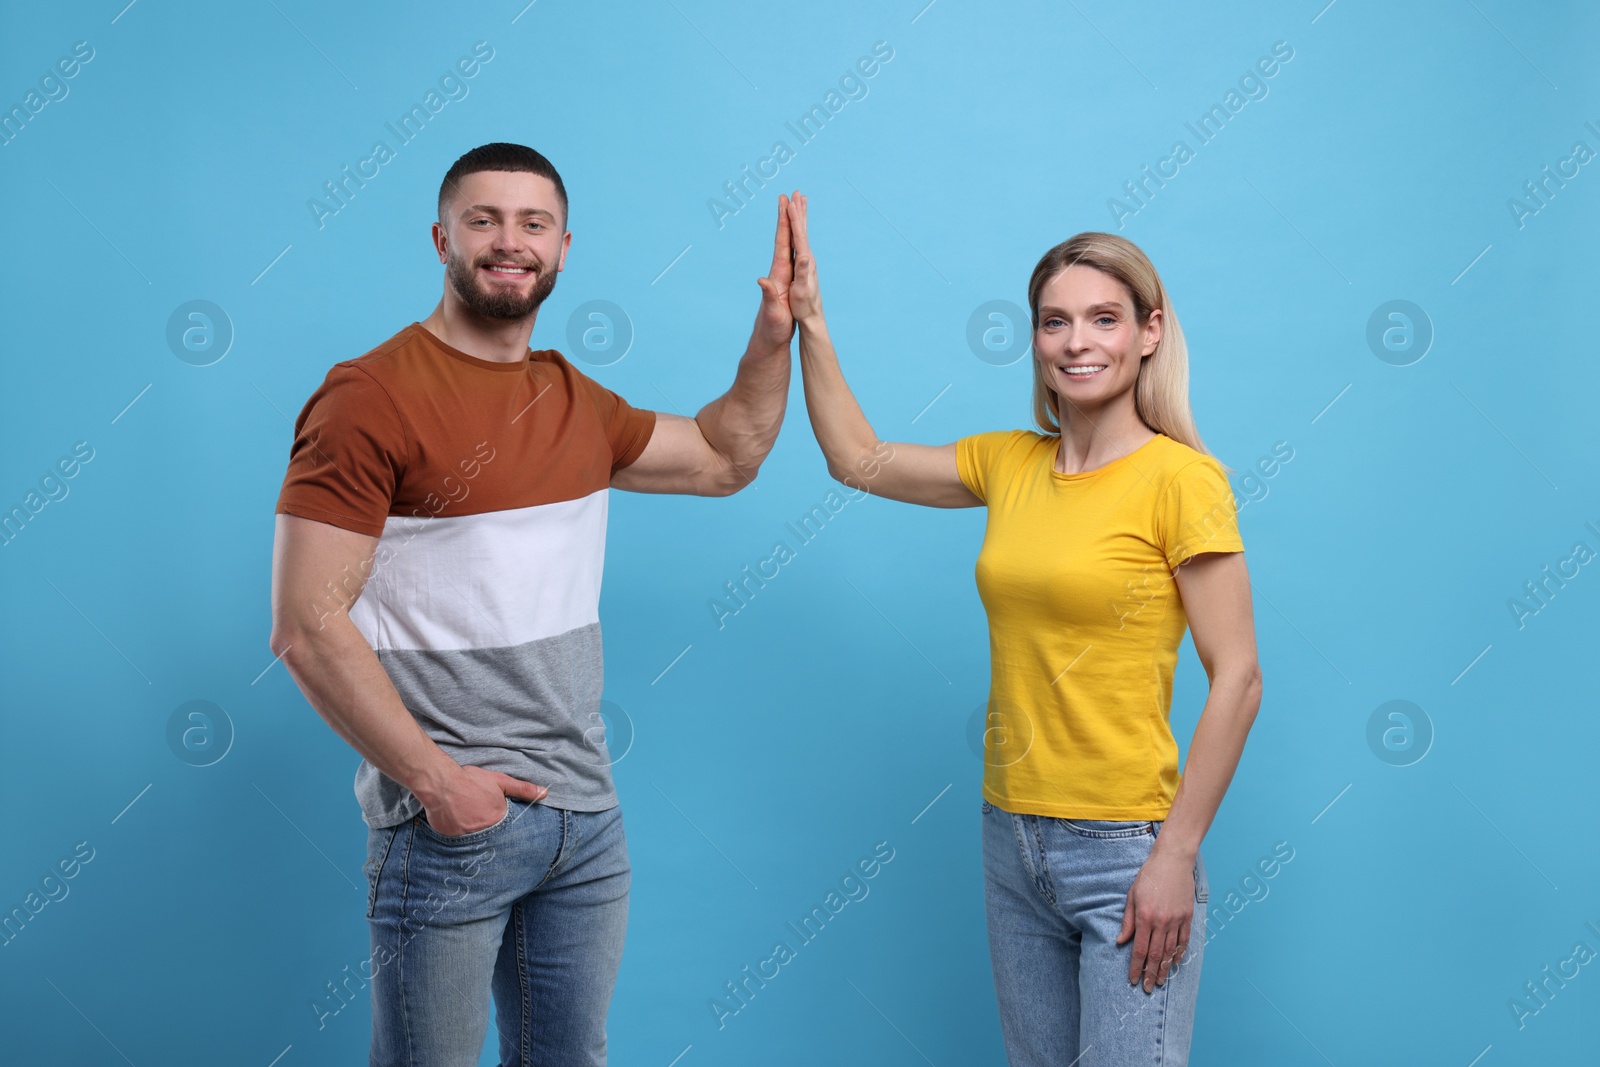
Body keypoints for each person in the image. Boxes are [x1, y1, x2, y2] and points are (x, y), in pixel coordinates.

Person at [268, 143, 799, 1065]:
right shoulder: (369, 396)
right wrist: (438, 784)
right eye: (484, 220)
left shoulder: (571, 396)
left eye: (532, 223)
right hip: (449, 831)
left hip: (585, 821)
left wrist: (774, 333)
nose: (508, 242)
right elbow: (306, 625)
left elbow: (727, 456)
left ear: (562, 249)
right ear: (442, 238)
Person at [784, 193, 1262, 1065]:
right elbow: (858, 458)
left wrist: (1175, 855)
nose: (1077, 341)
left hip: (1126, 846)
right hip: (1010, 834)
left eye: (1104, 319)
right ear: (1036, 340)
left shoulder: (1182, 481)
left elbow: (1239, 676)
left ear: (1150, 332)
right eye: (1055, 322)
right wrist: (809, 321)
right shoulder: (1011, 461)